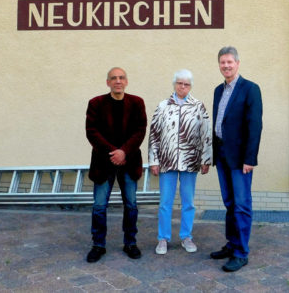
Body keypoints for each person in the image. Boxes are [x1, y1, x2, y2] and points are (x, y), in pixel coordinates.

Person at [85, 67, 147, 263]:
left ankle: (130, 242)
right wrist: (114, 152)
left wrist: (124, 152)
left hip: (129, 162)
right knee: (99, 206)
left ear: (126, 81)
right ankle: (98, 245)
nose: (118, 81)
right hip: (104, 163)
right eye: (114, 78)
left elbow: (140, 130)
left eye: (121, 78)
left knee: (131, 205)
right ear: (108, 82)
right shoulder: (95, 103)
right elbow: (92, 132)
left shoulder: (137, 103)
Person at [210, 46, 263, 272]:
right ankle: (232, 245)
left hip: (241, 159)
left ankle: (241, 253)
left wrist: (250, 158)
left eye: (230, 62)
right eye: (223, 62)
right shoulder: (218, 91)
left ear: (238, 64)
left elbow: (255, 126)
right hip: (222, 155)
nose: (226, 66)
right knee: (229, 203)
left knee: (241, 205)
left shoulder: (250, 89)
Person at [148, 69, 212, 255]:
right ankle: (163, 238)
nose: (182, 87)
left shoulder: (198, 106)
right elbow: (154, 134)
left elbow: (206, 134)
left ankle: (186, 236)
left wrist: (206, 159)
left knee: (188, 202)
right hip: (167, 161)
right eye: (179, 83)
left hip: (190, 161)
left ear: (190, 86)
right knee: (165, 202)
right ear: (174, 84)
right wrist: (154, 160)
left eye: (186, 84)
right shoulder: (163, 106)